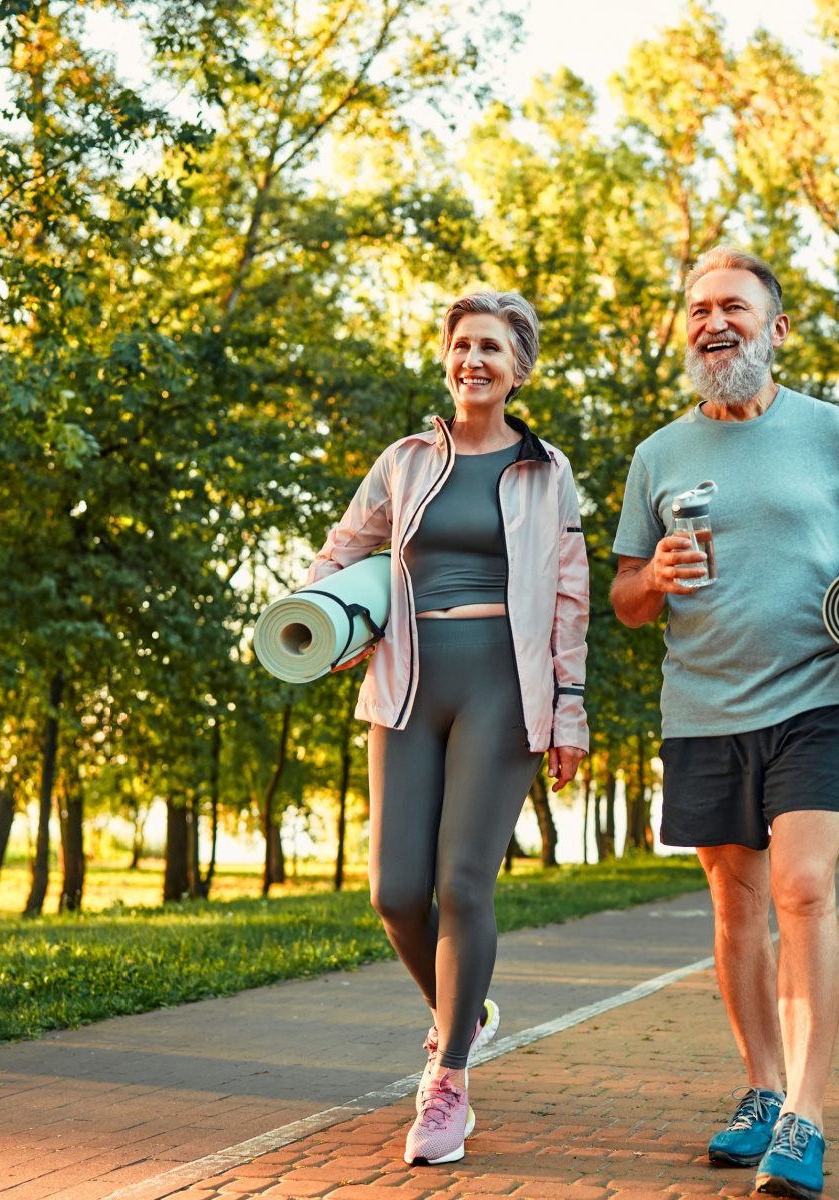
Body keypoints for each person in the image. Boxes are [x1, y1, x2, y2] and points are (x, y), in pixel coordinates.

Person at [611, 247, 839, 1199]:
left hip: (813, 699)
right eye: (697, 309)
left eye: (734, 307)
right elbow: (626, 599)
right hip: (702, 708)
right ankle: (760, 1086)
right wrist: (651, 580)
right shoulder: (657, 455)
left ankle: (806, 1113)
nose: (713, 321)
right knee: (736, 907)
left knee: (801, 891)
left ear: (776, 328)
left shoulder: (835, 434)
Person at [306, 290, 589, 1167]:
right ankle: (463, 1008)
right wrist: (325, 616)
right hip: (406, 685)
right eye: (463, 345)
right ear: (446, 359)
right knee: (394, 892)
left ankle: (450, 1080)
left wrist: (570, 708)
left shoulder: (547, 470)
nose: (475, 360)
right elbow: (342, 549)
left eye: (492, 349)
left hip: (504, 688)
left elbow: (572, 595)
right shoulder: (403, 461)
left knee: (464, 885)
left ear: (519, 368)